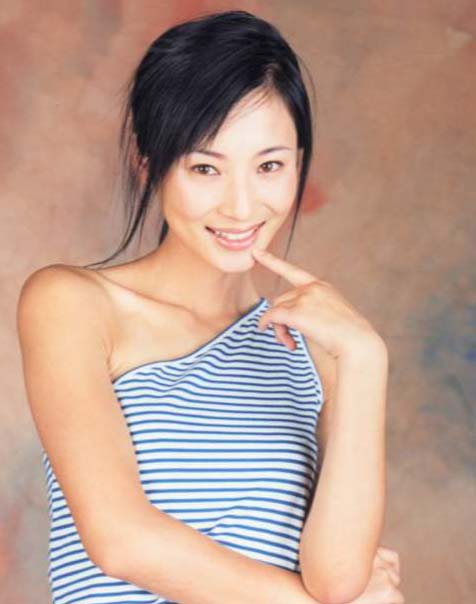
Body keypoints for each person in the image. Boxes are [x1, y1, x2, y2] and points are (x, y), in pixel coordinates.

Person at [16, 9, 403, 604]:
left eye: (269, 166)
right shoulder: (72, 304)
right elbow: (122, 542)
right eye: (205, 168)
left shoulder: (319, 353)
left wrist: (367, 357)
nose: (241, 206)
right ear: (150, 164)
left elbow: (338, 580)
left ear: (299, 164)